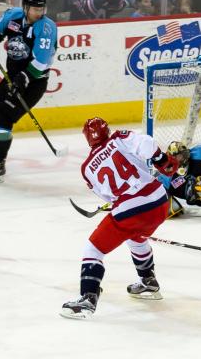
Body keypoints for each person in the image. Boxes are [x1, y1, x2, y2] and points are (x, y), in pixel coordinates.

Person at [60, 117, 178, 319]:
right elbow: (146, 144)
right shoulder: (118, 138)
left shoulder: (87, 168)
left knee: (94, 249)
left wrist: (119, 201)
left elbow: (108, 196)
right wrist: (161, 160)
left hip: (131, 207)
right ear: (106, 130)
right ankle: (148, 282)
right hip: (160, 201)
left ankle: (87, 300)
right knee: (137, 238)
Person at [0, 0, 57, 183]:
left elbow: (42, 61)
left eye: (41, 9)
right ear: (25, 8)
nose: (39, 12)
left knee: (4, 115)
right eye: (35, 9)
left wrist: (24, 77)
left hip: (34, 82)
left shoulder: (47, 27)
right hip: (12, 77)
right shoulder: (13, 15)